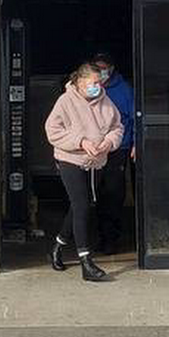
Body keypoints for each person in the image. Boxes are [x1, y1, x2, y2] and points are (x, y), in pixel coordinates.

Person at [44, 62, 124, 282]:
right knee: (81, 205)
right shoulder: (65, 101)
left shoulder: (106, 102)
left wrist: (108, 142)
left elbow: (117, 127)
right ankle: (86, 261)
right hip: (70, 159)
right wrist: (80, 141)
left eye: (100, 82)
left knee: (82, 204)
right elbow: (52, 130)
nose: (98, 86)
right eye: (94, 83)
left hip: (96, 161)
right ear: (80, 82)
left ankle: (57, 246)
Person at [92, 52, 134, 253]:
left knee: (114, 192)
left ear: (112, 68)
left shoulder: (124, 90)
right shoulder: (91, 88)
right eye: (97, 68)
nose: (101, 72)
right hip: (93, 149)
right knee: (96, 193)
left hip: (119, 148)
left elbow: (135, 118)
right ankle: (100, 235)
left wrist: (135, 143)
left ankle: (112, 239)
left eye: (104, 67)